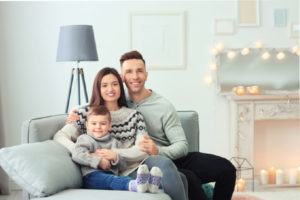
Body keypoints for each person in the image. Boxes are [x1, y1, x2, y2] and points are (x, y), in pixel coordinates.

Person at [54, 67, 188, 200]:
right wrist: (87, 154)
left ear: (121, 87)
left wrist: (115, 154)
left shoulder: (134, 115)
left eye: (115, 84)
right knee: (179, 177)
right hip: (106, 172)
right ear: (98, 89)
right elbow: (60, 136)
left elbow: (142, 150)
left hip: (135, 167)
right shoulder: (86, 114)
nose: (110, 89)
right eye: (104, 85)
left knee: (175, 172)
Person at [119, 50, 236, 200]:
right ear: (122, 77)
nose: (135, 76)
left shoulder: (163, 105)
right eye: (129, 72)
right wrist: (77, 115)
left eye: (139, 71)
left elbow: (181, 145)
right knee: (189, 178)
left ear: (146, 75)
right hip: (150, 164)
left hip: (171, 157)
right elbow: (95, 110)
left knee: (227, 169)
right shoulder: (117, 103)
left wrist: (157, 150)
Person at [72, 105, 163, 193]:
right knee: (110, 180)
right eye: (94, 123)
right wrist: (98, 161)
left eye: (103, 123)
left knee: (121, 179)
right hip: (91, 176)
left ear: (109, 125)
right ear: (87, 125)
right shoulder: (85, 139)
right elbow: (77, 154)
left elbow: (123, 166)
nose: (98, 127)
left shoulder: (114, 142)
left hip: (113, 175)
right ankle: (136, 185)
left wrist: (116, 158)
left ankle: (149, 186)